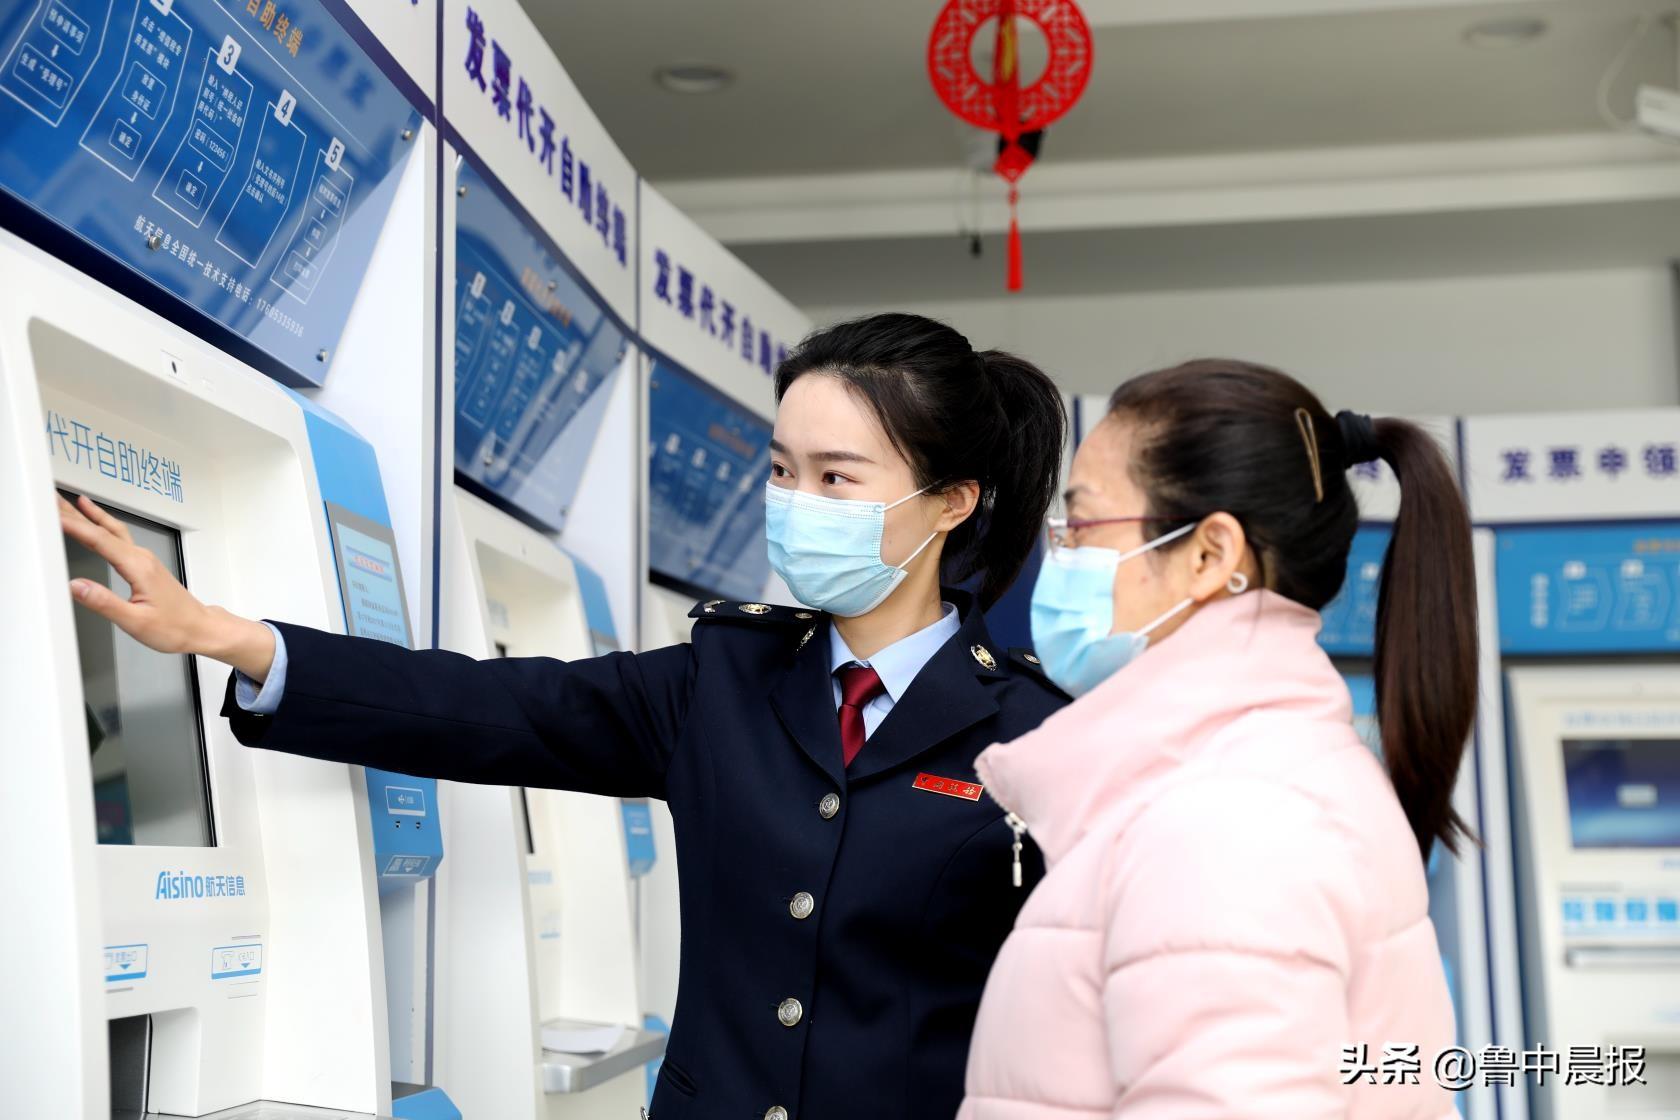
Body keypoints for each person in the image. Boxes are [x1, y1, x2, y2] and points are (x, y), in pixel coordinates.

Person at [59, 312, 1071, 1120]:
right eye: (780, 470)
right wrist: (233, 637)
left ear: (951, 502)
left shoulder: (1032, 735)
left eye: (836, 478)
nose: (796, 501)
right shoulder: (723, 682)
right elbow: (487, 705)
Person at [958, 360, 1470, 1119]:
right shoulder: (1262, 774)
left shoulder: (1229, 818)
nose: (1057, 554)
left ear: (1209, 556)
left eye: (1082, 525)